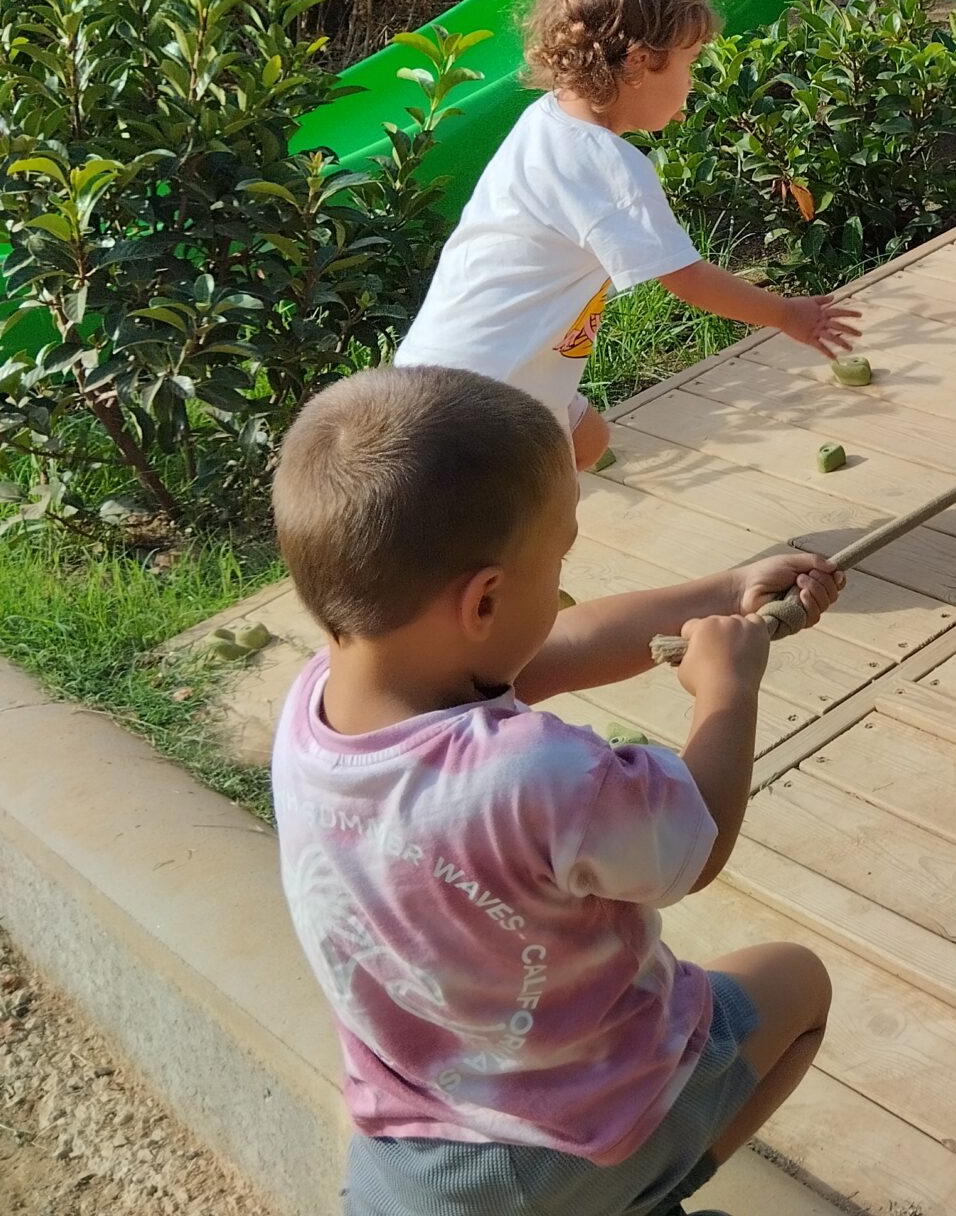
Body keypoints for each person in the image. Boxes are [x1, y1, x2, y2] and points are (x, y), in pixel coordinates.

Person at [269, 365, 842, 1215]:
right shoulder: (533, 773)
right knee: (796, 983)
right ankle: (637, 1192)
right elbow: (699, 841)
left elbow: (562, 644)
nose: (567, 579)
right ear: (487, 599)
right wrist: (728, 692)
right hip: (578, 1131)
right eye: (562, 555)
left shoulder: (320, 705)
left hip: (415, 1150)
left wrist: (724, 595)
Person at [394, 0, 859, 471]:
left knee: (587, 443)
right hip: (487, 398)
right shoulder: (608, 165)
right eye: (689, 63)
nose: (692, 82)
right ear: (639, 63)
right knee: (528, 527)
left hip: (446, 366)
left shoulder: (545, 120)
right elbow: (686, 279)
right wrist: (785, 314)